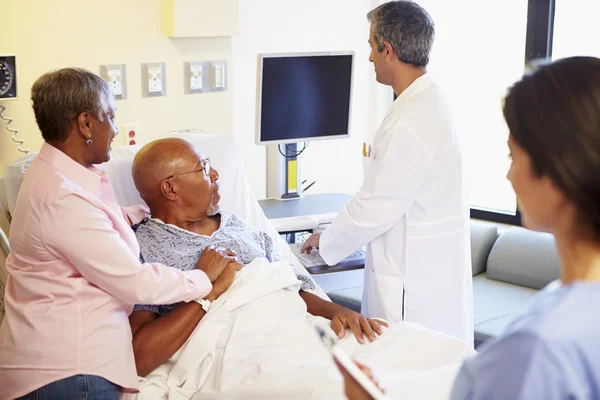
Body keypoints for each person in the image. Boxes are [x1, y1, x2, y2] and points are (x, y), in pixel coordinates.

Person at [340, 56, 600, 400]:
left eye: (513, 157)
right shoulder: (568, 310)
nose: (509, 176)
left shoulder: (538, 350)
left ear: (556, 176)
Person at [0, 68, 237, 400]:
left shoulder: (61, 178)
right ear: (85, 124)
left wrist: (132, 215)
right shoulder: (62, 198)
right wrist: (202, 278)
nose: (115, 129)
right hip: (69, 374)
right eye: (110, 118)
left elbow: (83, 231)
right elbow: (134, 282)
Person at [127, 138, 388, 377]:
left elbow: (290, 286)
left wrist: (338, 311)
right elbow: (140, 357)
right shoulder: (143, 249)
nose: (216, 174)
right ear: (170, 188)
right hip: (239, 354)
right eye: (204, 168)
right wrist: (209, 289)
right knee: (334, 382)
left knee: (390, 351)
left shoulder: (241, 226)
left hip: (297, 329)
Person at [301, 0, 472, 344]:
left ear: (388, 50)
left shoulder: (410, 121)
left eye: (371, 47)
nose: (369, 58)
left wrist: (327, 242)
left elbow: (376, 205)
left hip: (413, 283)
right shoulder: (428, 101)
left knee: (408, 369)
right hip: (428, 269)